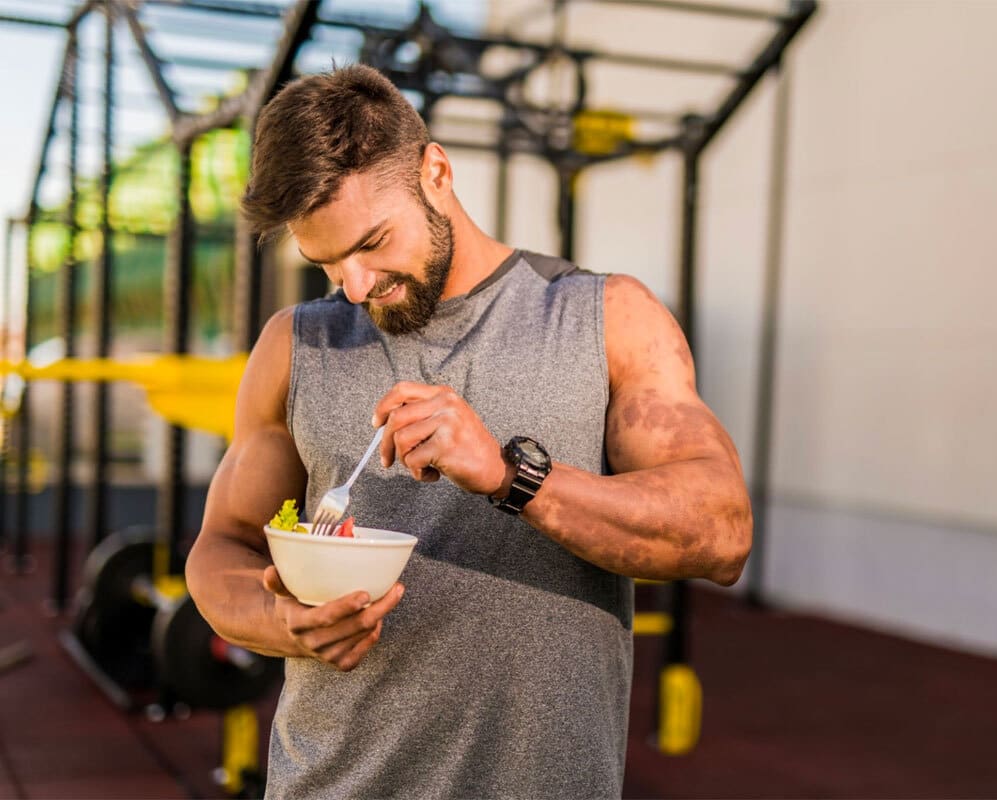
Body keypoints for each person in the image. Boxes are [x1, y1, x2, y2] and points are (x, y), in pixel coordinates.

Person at [185, 63, 751, 800]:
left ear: (437, 171)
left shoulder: (606, 319)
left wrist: (513, 477)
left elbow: (722, 532)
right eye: (326, 263)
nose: (355, 287)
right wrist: (284, 624)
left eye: (373, 242)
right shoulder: (295, 346)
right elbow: (221, 546)